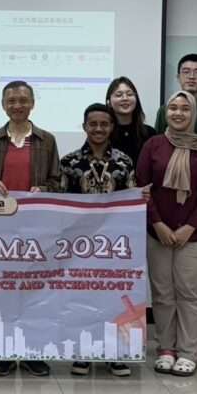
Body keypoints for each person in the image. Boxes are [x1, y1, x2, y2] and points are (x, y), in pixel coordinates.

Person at [0, 80, 61, 378]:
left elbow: (57, 181)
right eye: (11, 101)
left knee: (34, 291)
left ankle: (32, 352)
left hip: (36, 229)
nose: (17, 105)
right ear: (3, 105)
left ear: (32, 104)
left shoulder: (46, 140)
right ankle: (4, 353)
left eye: (23, 100)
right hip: (0, 229)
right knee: (3, 292)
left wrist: (44, 188)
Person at [136, 91, 197, 377]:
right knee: (162, 294)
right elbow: (142, 188)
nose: (178, 113)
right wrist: (158, 224)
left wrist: (189, 227)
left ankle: (188, 351)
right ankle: (166, 349)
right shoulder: (153, 145)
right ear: (166, 112)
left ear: (194, 113)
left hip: (193, 234)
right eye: (173, 108)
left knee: (190, 294)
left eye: (185, 108)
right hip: (157, 232)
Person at [63, 103, 137, 378]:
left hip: (114, 244)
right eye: (92, 124)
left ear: (112, 127)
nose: (98, 129)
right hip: (79, 244)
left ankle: (115, 353)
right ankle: (83, 352)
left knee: (114, 297)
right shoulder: (69, 163)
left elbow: (131, 200)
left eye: (104, 124)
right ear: (84, 126)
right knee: (81, 297)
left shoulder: (124, 162)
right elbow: (60, 205)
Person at [155, 54, 197, 136]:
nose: (191, 76)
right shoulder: (166, 109)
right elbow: (159, 140)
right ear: (178, 77)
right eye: (186, 72)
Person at [106, 76, 156, 164]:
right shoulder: (104, 134)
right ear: (109, 102)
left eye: (129, 94)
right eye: (119, 95)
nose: (125, 98)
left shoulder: (150, 133)